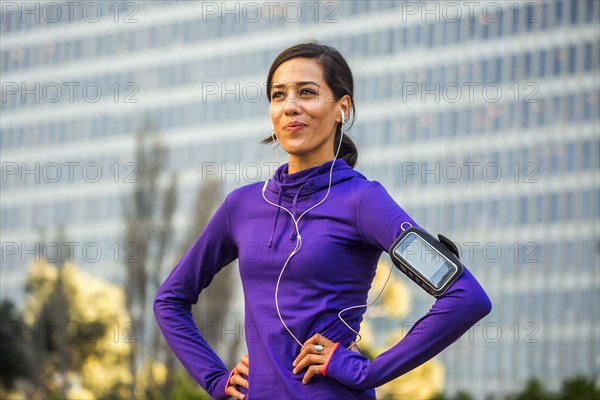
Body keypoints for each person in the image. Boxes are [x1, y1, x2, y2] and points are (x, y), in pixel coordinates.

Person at [154, 42, 492, 400]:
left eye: (307, 93)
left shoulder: (363, 201)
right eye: (278, 95)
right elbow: (170, 300)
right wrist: (215, 380)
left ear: (341, 108)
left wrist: (367, 371)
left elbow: (466, 296)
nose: (290, 106)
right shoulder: (242, 205)